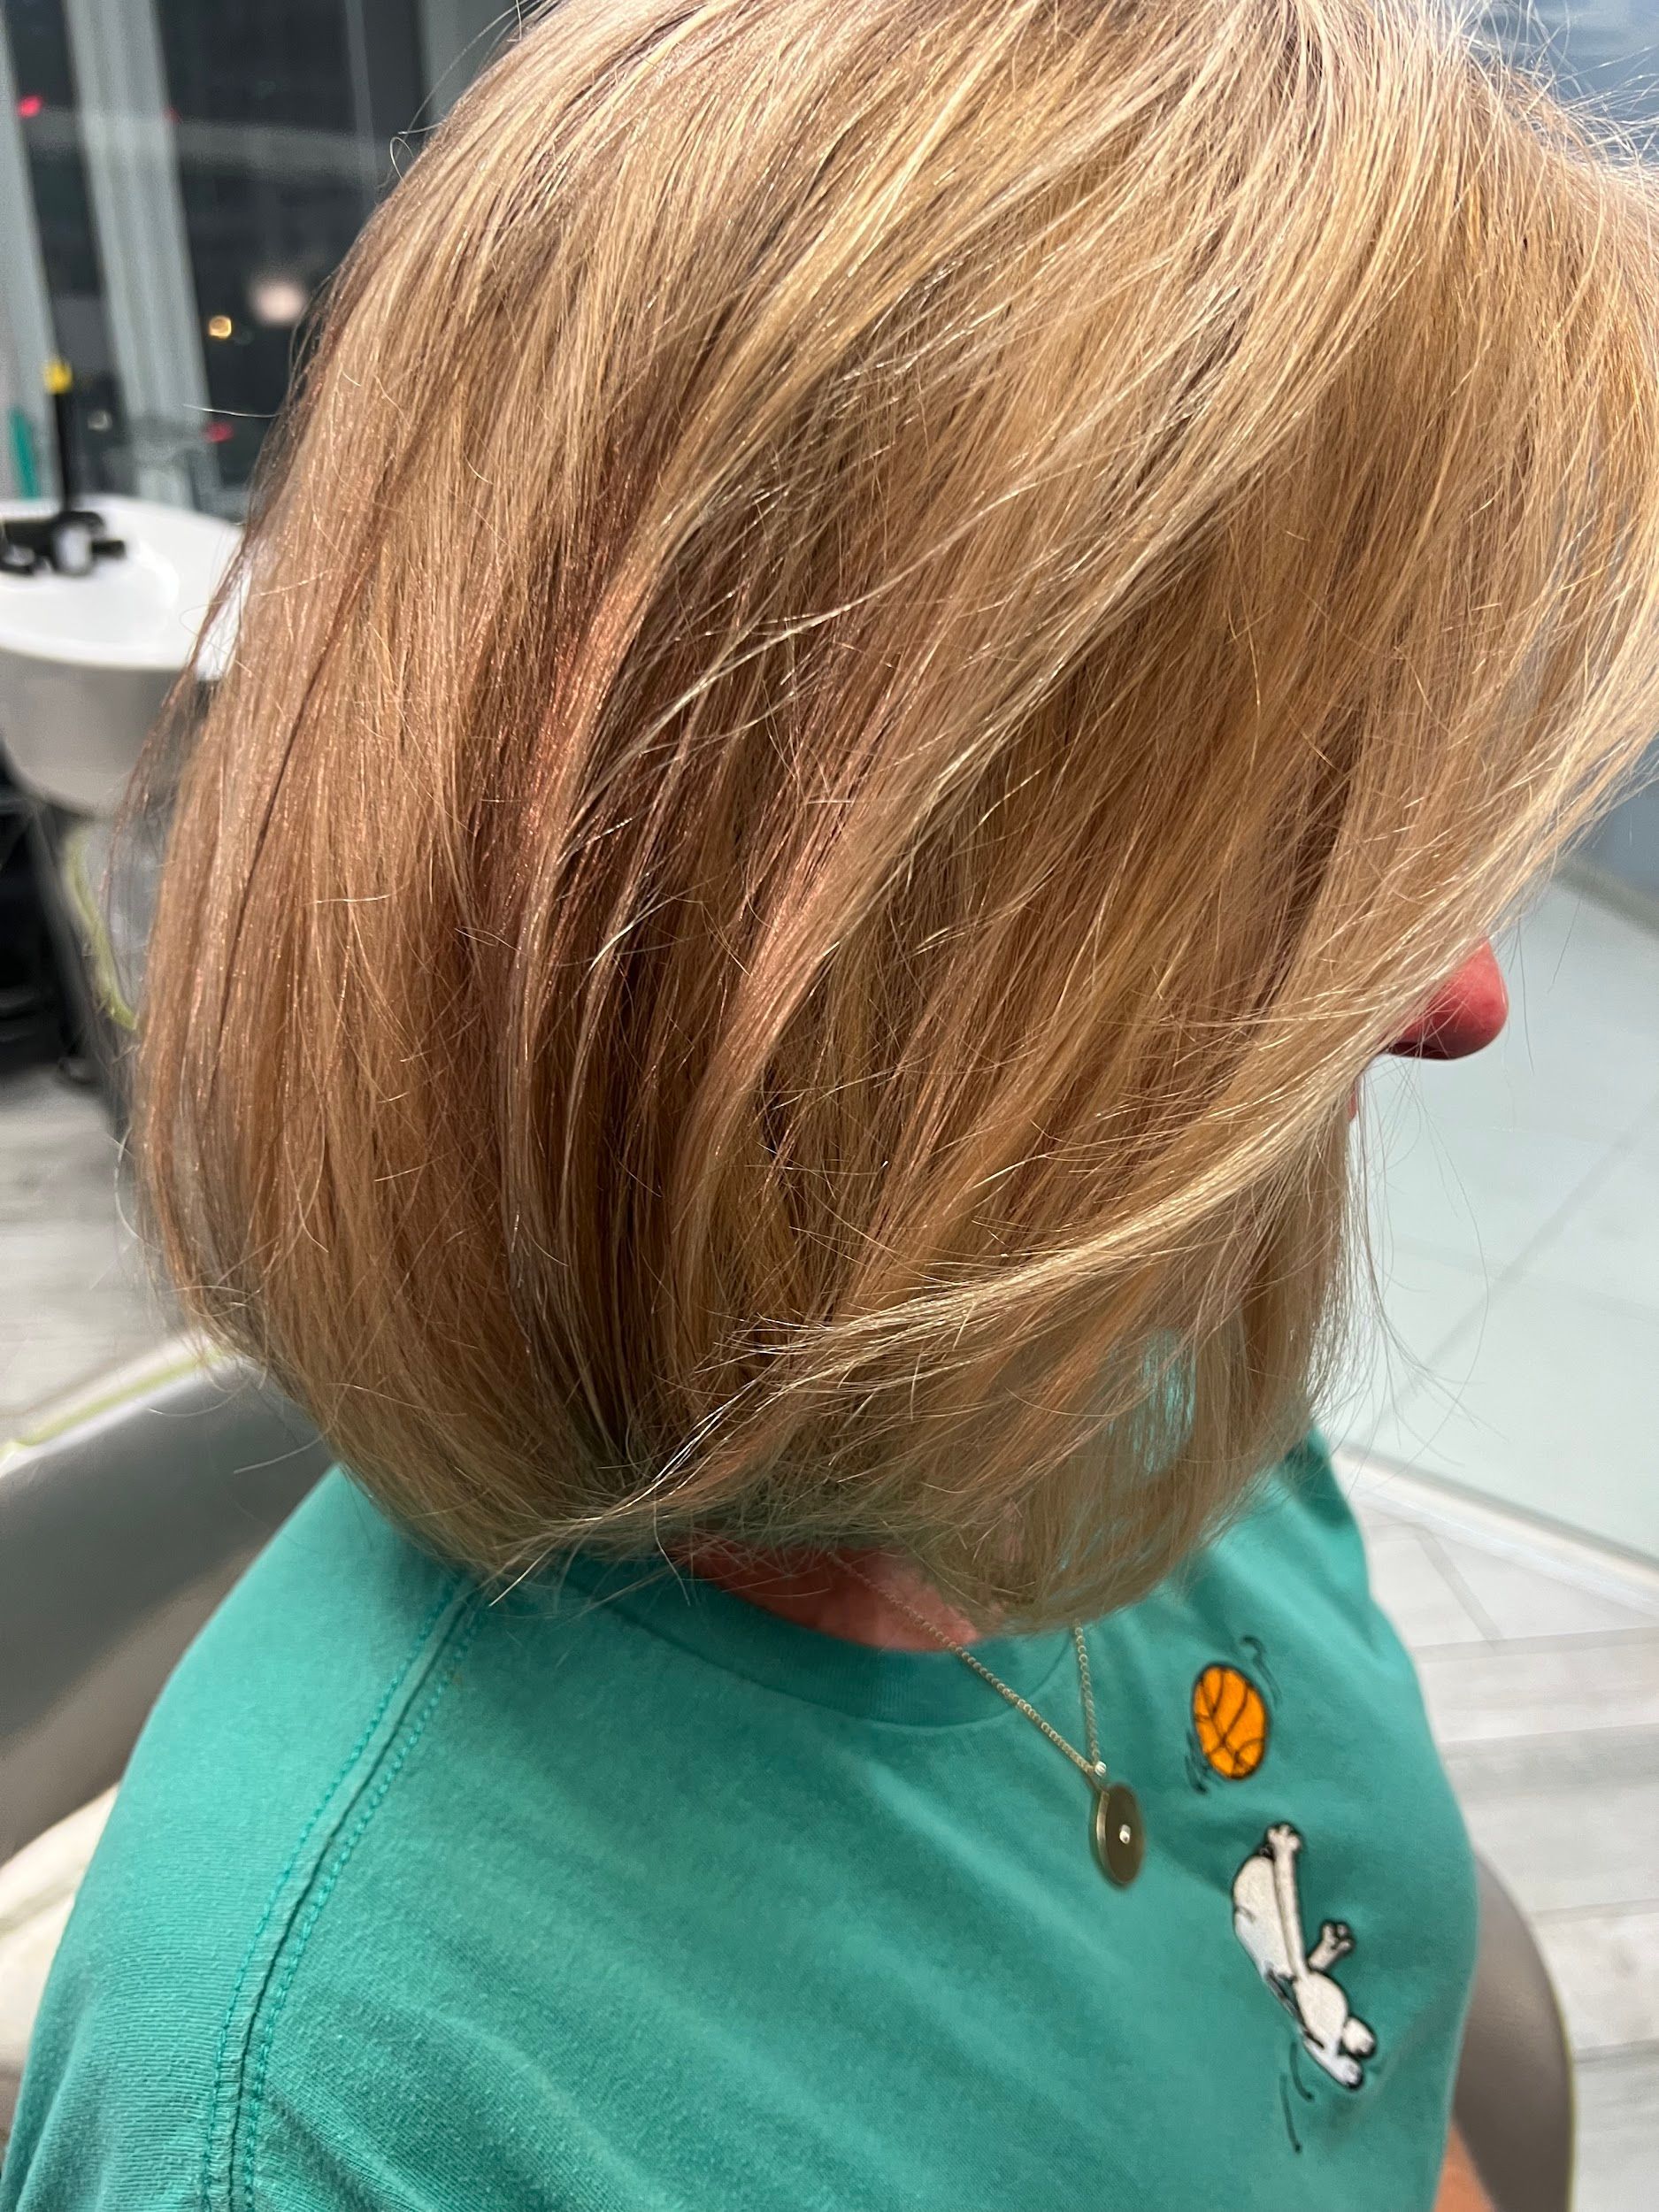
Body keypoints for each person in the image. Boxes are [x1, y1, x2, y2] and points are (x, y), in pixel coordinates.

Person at [7, 1, 1659, 2206]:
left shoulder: (1121, 1347)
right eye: (1264, 843)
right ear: (745, 913)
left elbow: (1350, 2084)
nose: (1454, 996)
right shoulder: (327, 2107)